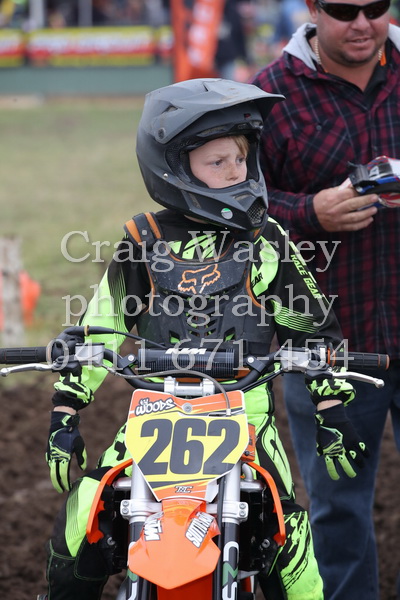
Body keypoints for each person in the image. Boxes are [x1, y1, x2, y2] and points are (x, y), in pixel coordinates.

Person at [40, 78, 369, 600]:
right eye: (218, 162)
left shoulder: (267, 241)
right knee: (78, 525)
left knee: (293, 551)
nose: (236, 171)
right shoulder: (143, 240)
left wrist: (332, 409)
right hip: (154, 414)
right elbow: (100, 326)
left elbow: (313, 331)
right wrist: (65, 411)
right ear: (173, 166)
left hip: (247, 417)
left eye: (240, 158)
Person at [251, 2, 400, 599]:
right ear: (312, 8)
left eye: (375, 7)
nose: (362, 23)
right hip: (325, 344)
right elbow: (236, 204)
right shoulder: (269, 96)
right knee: (337, 510)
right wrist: (309, 212)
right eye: (342, 9)